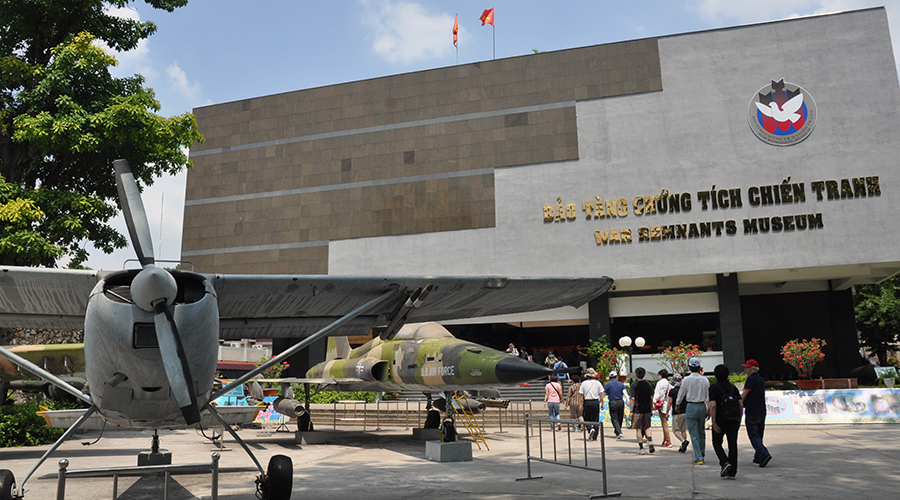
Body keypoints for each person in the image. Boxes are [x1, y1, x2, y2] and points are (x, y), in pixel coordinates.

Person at [709, 364, 742, 479]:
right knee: (732, 444)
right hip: (733, 420)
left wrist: (713, 422)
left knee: (717, 442)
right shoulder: (733, 388)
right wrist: (739, 420)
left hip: (720, 420)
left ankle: (724, 462)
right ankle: (732, 471)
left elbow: (713, 405)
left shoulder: (713, 388)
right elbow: (740, 404)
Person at [675, 357, 710, 465]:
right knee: (701, 432)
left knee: (694, 433)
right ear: (699, 367)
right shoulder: (705, 380)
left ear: (689, 367)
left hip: (691, 406)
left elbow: (681, 393)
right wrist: (708, 408)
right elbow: (708, 396)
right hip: (702, 405)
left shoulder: (686, 380)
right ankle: (702, 453)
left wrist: (677, 403)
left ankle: (698, 457)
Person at [741, 359, 772, 467]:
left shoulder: (751, 379)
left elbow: (744, 394)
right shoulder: (761, 380)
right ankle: (758, 456)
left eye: (747, 368)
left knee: (753, 435)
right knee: (759, 434)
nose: (746, 370)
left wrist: (738, 403)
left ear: (753, 369)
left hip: (752, 410)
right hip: (761, 410)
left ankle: (764, 453)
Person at [629, 367, 655, 454]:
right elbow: (651, 398)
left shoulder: (634, 385)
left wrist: (631, 411)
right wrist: (651, 408)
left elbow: (633, 399)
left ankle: (641, 448)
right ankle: (650, 441)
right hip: (647, 409)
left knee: (638, 429)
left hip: (638, 409)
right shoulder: (649, 384)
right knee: (647, 427)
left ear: (636, 375)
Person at [579, 368, 605, 440]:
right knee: (596, 419)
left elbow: (581, 395)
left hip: (587, 402)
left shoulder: (584, 383)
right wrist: (602, 403)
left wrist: (581, 404)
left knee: (587, 418)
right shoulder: (598, 383)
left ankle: (590, 429)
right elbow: (601, 394)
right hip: (595, 401)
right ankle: (595, 436)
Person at [667, 373, 690, 452]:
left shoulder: (673, 391)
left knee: (675, 430)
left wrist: (667, 413)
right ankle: (683, 446)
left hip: (676, 413)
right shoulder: (685, 390)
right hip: (685, 412)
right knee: (683, 430)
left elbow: (670, 402)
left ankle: (683, 442)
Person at [604, 370, 627, 439]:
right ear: (617, 377)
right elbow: (625, 393)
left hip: (613, 402)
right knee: (620, 417)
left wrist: (601, 400)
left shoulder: (608, 385)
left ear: (610, 377)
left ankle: (618, 432)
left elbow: (604, 394)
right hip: (620, 401)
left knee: (614, 418)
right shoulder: (621, 384)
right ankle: (618, 430)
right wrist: (628, 400)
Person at [653, 369, 672, 447]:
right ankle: (665, 440)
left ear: (661, 375)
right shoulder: (669, 383)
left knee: (664, 423)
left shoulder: (659, 383)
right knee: (665, 422)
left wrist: (654, 401)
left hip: (661, 404)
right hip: (668, 404)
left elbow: (657, 394)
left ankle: (668, 440)